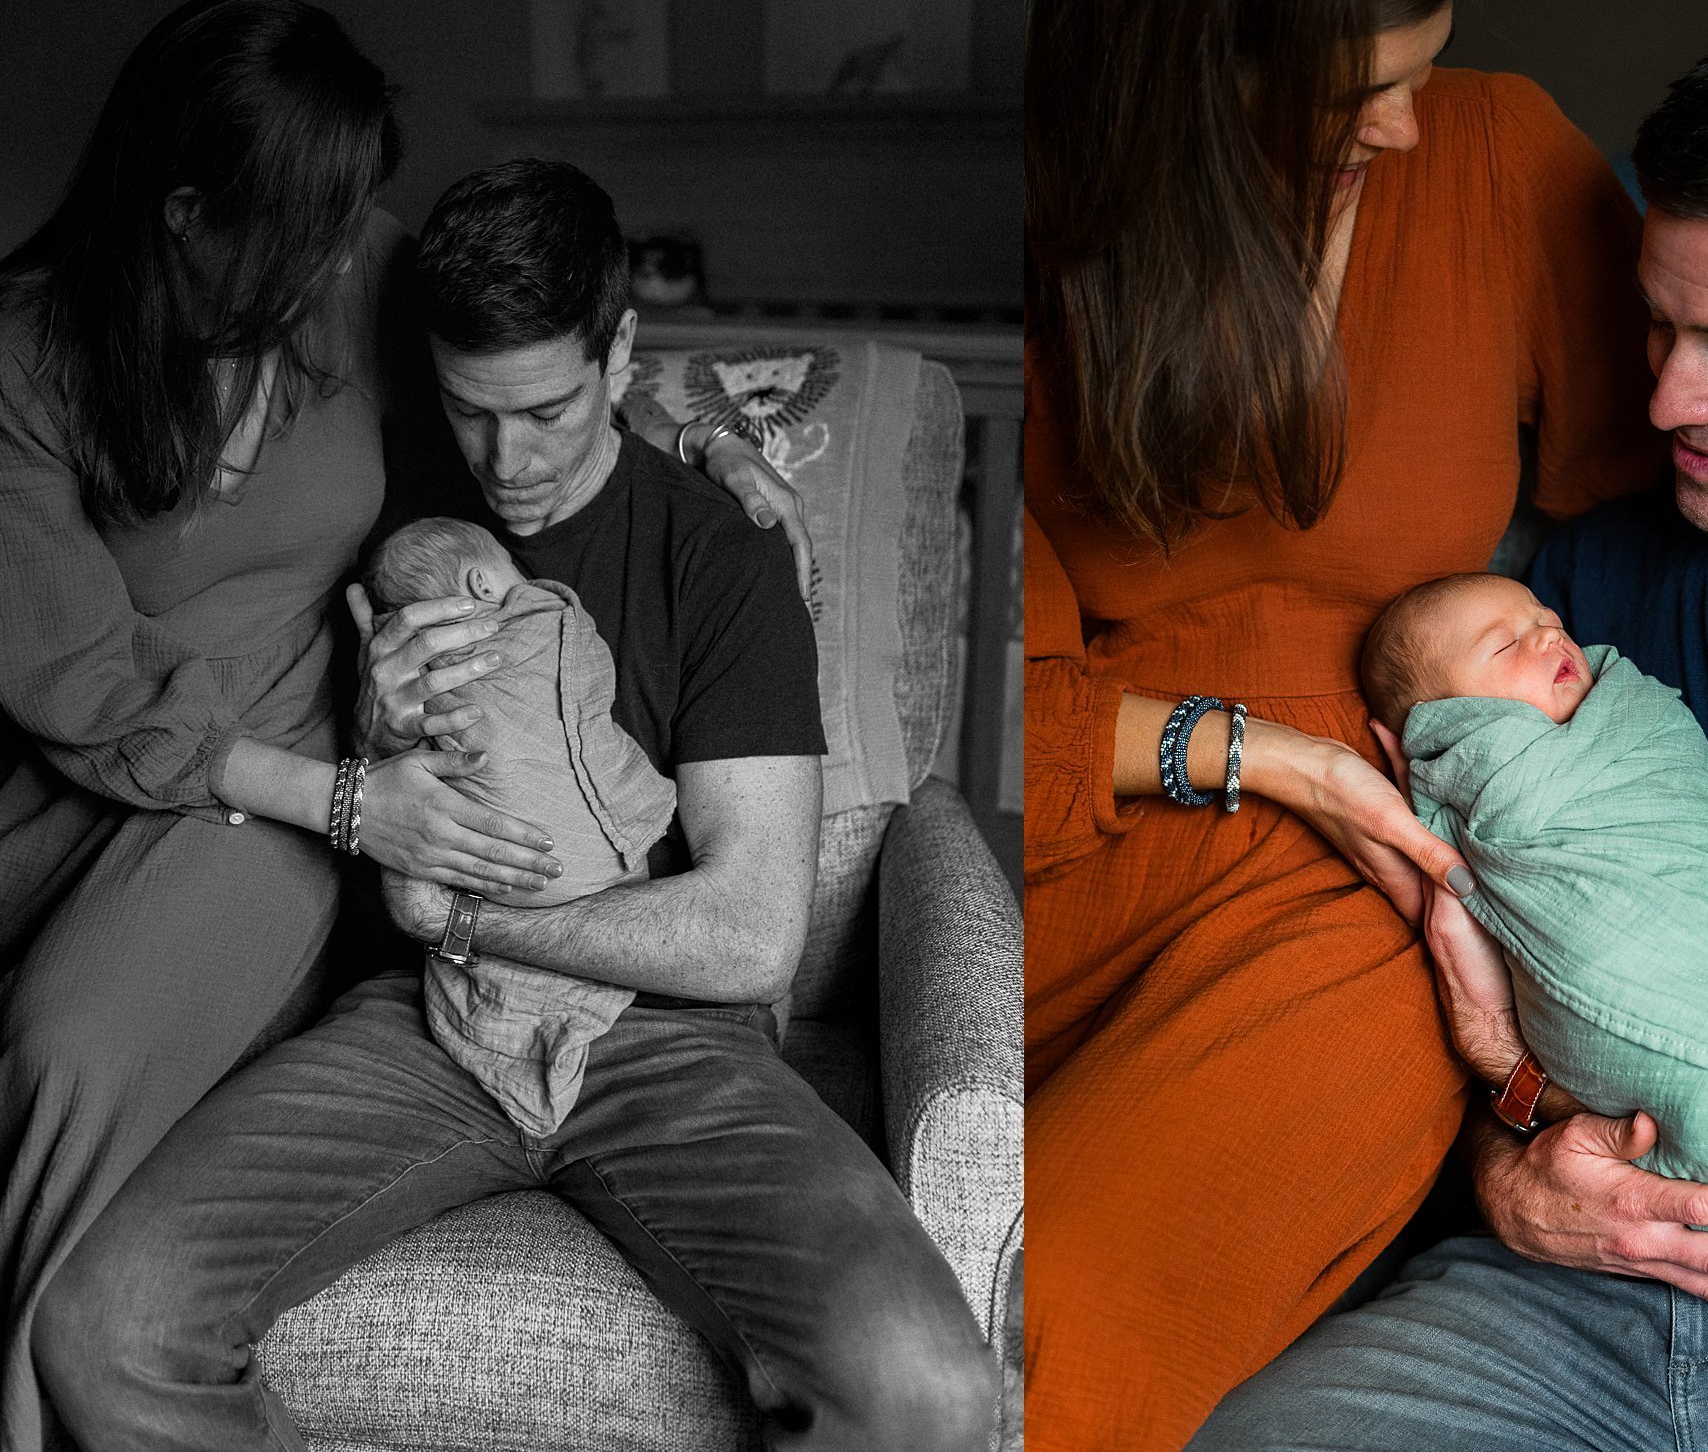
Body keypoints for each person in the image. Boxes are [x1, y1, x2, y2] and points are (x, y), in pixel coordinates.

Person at [1023, 0, 1708, 1445]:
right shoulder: (1550, 602)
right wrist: (1511, 1143)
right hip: (1538, 1300)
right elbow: (1472, 1034)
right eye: (1651, 323)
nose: (1659, 395)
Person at [32, 157, 998, 1451]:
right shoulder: (390, 505)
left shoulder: (721, 554)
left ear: (620, 356)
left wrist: (466, 917)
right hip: (419, 1032)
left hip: (666, 1038)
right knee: (106, 1324)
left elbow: (750, 936)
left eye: (545, 411)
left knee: (933, 1387)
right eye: (471, 411)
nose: (508, 460)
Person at [0, 0, 566, 1452]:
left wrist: (709, 454)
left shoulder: (354, 266)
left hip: (301, 755)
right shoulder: (26, 351)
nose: (341, 254)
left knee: (71, 1045)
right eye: (309, 225)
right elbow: (74, 670)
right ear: (185, 212)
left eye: (350, 213)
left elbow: (528, 377)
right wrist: (342, 807)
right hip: (95, 770)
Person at [1362, 572, 1708, 1372]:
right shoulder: (1490, 775)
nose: (1548, 637)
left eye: (1547, 620)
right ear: (1448, 724)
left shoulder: (1633, 715)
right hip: (1542, 1279)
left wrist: (1504, 1060)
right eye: (1506, 645)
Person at [361, 515, 676, 1139]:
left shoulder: (416, 685)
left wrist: (379, 752)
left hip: (503, 900)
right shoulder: (546, 616)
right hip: (611, 875)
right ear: (482, 582)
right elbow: (577, 647)